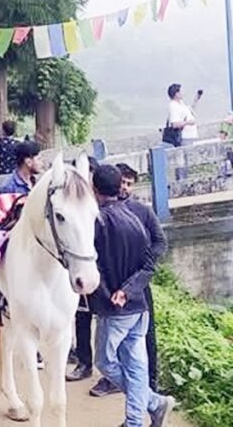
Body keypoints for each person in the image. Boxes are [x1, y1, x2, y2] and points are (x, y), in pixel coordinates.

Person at [89, 165, 175, 427]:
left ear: (94, 190)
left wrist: (116, 294)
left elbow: (95, 267)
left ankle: (152, 402)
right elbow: (149, 264)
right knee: (137, 366)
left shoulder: (98, 223)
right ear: (120, 188)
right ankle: (137, 419)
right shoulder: (137, 220)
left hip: (117, 309)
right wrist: (130, 290)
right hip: (139, 305)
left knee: (104, 361)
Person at [76, 163, 168, 395]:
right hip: (110, 286)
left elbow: (159, 243)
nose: (125, 187)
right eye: (122, 182)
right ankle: (131, 395)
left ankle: (149, 385)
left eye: (129, 183)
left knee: (139, 341)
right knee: (108, 337)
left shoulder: (140, 211)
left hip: (135, 284)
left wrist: (138, 273)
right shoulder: (96, 216)